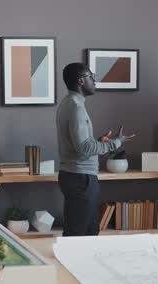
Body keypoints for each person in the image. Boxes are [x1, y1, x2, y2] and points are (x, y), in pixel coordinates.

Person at [56, 63, 134, 236]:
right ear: (81, 80)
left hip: (78, 177)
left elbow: (81, 144)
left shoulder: (70, 104)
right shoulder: (76, 108)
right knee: (78, 234)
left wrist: (97, 142)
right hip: (80, 179)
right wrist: (116, 143)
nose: (94, 81)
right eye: (91, 77)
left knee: (90, 231)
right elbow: (84, 148)